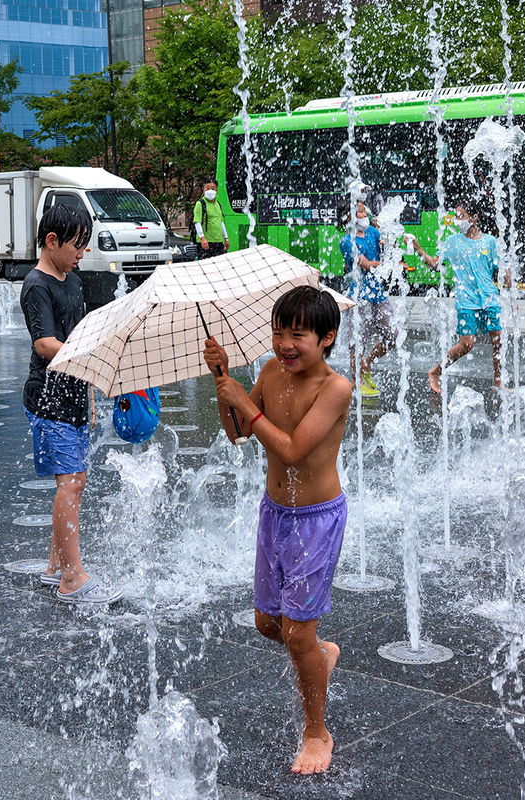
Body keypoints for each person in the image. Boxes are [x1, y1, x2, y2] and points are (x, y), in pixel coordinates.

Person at [204, 285, 352, 775]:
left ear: (326, 338)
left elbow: (290, 449)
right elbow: (239, 432)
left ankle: (317, 732)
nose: (285, 344)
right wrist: (223, 381)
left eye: (298, 335)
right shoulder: (270, 372)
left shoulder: (335, 388)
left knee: (295, 634)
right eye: (278, 332)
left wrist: (245, 407)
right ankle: (319, 651)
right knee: (269, 625)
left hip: (317, 519)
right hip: (275, 512)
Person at [21, 204, 121, 604]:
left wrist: (90, 392)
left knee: (75, 483)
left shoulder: (71, 281)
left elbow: (78, 335)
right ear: (51, 241)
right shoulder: (36, 285)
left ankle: (54, 566)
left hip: (74, 395)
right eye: (77, 246)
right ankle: (73, 578)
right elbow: (45, 343)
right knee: (71, 484)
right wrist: (91, 362)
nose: (82, 254)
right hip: (47, 400)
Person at [409, 202, 507, 394]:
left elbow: (502, 271)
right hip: (466, 301)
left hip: (489, 299)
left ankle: (498, 382)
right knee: (467, 344)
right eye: (456, 215)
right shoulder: (452, 241)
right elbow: (434, 264)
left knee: (497, 340)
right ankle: (435, 372)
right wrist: (418, 248)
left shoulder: (490, 242)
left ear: (474, 217)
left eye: (460, 215)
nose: (456, 220)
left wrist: (511, 295)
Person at [340, 202, 391, 397]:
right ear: (349, 216)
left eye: (364, 210)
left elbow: (386, 252)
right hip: (358, 295)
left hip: (378, 294)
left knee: (392, 335)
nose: (363, 214)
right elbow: (368, 265)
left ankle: (366, 364)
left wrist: (390, 243)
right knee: (358, 340)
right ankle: (357, 381)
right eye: (359, 211)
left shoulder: (373, 233)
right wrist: (384, 263)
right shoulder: (347, 241)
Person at [192, 179, 230, 260]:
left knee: (220, 265)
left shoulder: (218, 204)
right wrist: (202, 238)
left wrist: (226, 238)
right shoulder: (200, 203)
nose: (210, 191)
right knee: (206, 266)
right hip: (206, 242)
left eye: (213, 188)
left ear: (217, 190)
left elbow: (221, 222)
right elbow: (197, 222)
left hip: (218, 241)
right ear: (203, 190)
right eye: (207, 188)